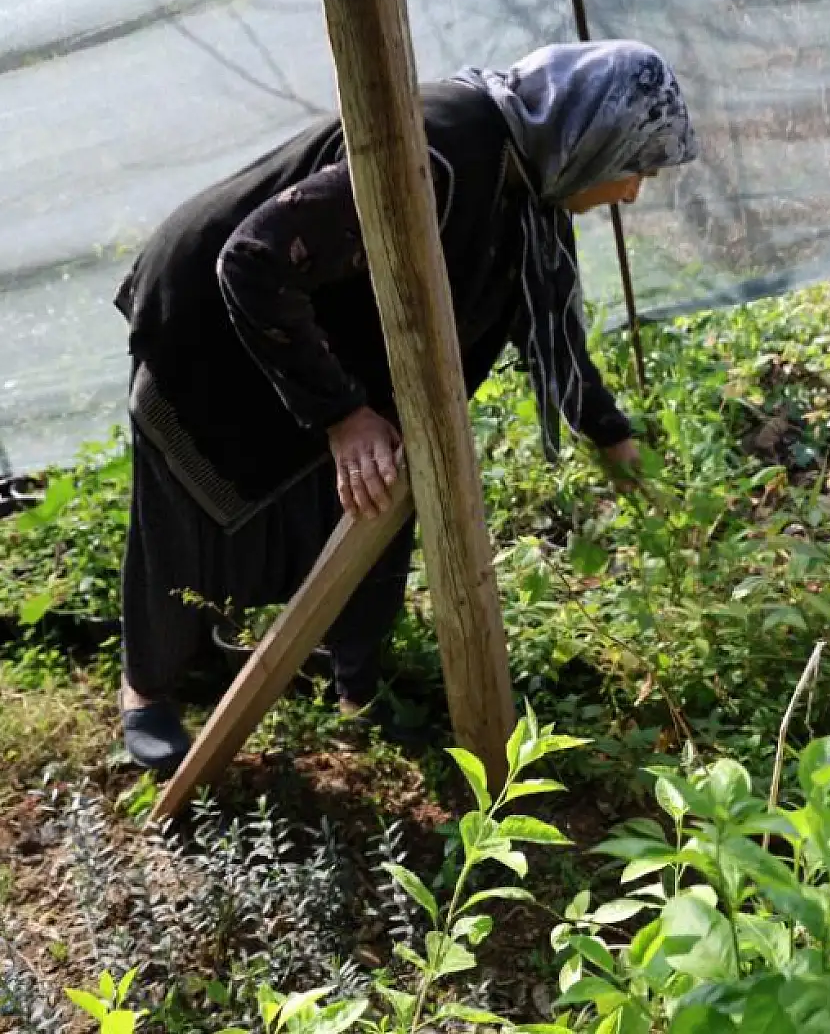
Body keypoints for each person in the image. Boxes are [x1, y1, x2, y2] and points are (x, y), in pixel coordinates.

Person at [110, 39, 699, 773]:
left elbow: (546, 322)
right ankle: (149, 689)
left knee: (379, 495)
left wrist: (609, 434)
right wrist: (342, 415)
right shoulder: (439, 148)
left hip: (316, 334)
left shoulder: (528, 179)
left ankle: (353, 684)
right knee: (188, 507)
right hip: (209, 326)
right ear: (591, 136)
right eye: (634, 165)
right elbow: (254, 258)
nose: (633, 190)